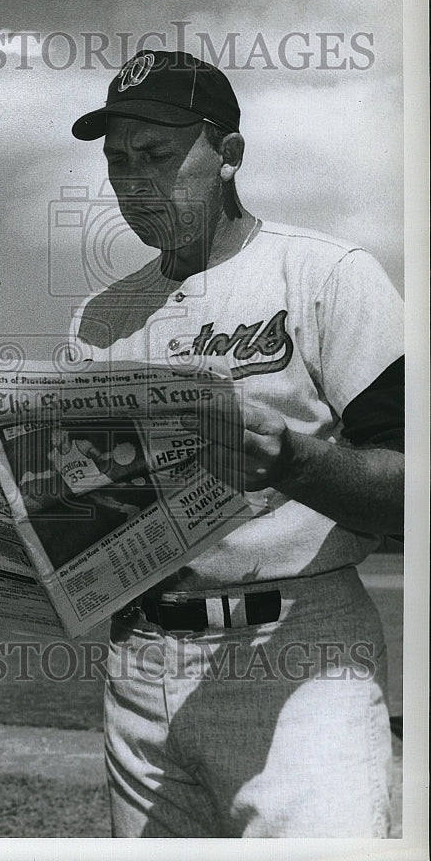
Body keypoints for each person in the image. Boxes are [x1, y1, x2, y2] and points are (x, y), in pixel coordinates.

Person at [70, 51, 403, 837]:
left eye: (156, 155)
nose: (133, 182)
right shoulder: (100, 318)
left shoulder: (326, 274)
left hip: (295, 648)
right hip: (139, 661)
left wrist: (296, 461)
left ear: (228, 155)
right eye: (118, 161)